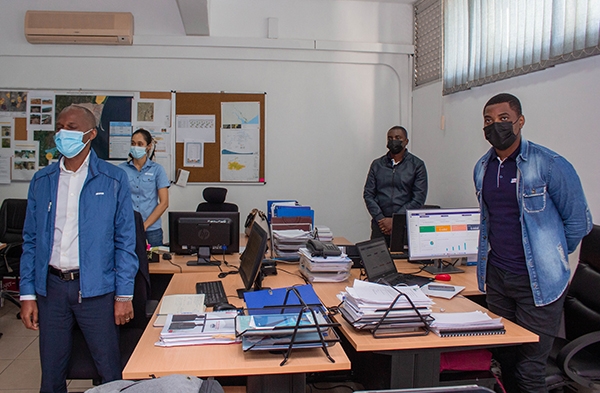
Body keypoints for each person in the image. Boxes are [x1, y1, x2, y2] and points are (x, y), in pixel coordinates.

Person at [473, 93, 592, 393]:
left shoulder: (549, 164)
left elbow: (579, 222)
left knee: (529, 371)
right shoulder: (482, 168)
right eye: (489, 121)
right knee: (504, 360)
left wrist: (548, 256)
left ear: (520, 121)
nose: (495, 126)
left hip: (539, 284)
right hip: (498, 279)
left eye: (503, 119)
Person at [19, 105, 139, 393]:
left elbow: (125, 242)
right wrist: (27, 294)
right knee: (51, 374)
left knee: (109, 371)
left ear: (90, 134)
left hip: (96, 290)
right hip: (52, 289)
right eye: (59, 126)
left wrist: (124, 295)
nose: (63, 132)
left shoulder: (113, 179)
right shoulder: (42, 180)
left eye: (71, 127)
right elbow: (31, 241)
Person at [363, 125, 428, 244]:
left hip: (405, 226)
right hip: (380, 225)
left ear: (406, 141)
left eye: (398, 138)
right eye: (390, 138)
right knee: (378, 260)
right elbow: (368, 194)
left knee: (403, 260)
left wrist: (395, 220)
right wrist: (381, 219)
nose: (393, 141)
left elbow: (418, 198)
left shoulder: (417, 165)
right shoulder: (377, 165)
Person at [119, 129, 170, 246]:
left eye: (140, 144)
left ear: (148, 146)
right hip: (128, 227)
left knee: (155, 263)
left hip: (152, 229)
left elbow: (164, 203)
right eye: (133, 143)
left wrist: (145, 225)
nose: (135, 147)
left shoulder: (157, 170)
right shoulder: (121, 170)